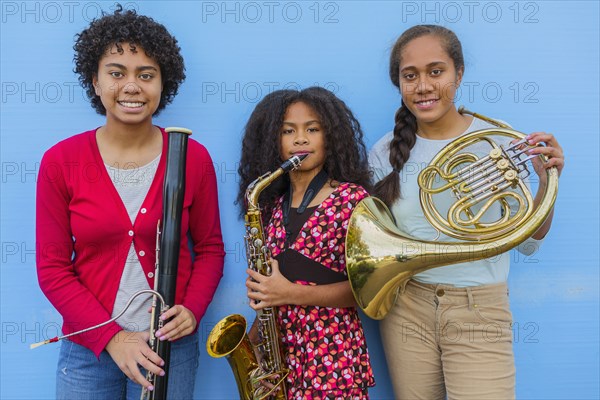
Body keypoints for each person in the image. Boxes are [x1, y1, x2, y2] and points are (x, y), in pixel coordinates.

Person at [35, 6, 225, 399]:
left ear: (162, 83)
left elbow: (209, 249)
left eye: (146, 74)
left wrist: (191, 309)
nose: (132, 86)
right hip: (89, 347)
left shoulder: (194, 158)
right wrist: (113, 338)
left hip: (169, 346)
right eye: (116, 72)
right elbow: (52, 268)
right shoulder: (60, 162)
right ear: (95, 80)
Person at [369, 24, 565, 400]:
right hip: (407, 305)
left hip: (480, 307)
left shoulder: (501, 142)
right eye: (410, 76)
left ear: (459, 73)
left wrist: (546, 185)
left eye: (436, 71)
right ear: (399, 83)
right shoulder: (383, 153)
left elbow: (528, 241)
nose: (423, 85)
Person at [238, 87, 376, 400]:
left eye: (312, 129)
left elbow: (367, 292)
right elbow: (271, 290)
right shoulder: (271, 207)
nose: (301, 139)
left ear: (330, 137)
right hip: (283, 359)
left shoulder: (354, 201)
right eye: (288, 131)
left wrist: (289, 292)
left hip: (333, 357)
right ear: (274, 140)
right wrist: (255, 343)